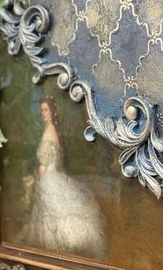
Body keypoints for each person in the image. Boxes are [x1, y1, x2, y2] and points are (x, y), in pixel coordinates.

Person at [18, 95, 106, 258]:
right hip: (48, 177)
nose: (43, 113)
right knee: (49, 212)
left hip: (49, 177)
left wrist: (43, 174)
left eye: (46, 110)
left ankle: (65, 247)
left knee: (57, 213)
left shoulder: (49, 132)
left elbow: (46, 161)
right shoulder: (50, 128)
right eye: (41, 110)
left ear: (52, 111)